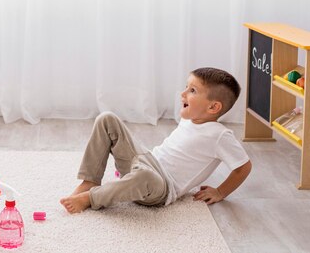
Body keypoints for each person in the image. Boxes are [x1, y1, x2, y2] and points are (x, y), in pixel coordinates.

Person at [60, 67, 252, 213]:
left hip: (161, 186)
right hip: (145, 161)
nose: (183, 93)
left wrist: (220, 192)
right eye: (186, 87)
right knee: (107, 118)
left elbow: (243, 167)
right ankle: (90, 180)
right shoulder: (189, 120)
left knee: (146, 177)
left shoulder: (220, 135)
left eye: (192, 90)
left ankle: (91, 198)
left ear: (213, 107)